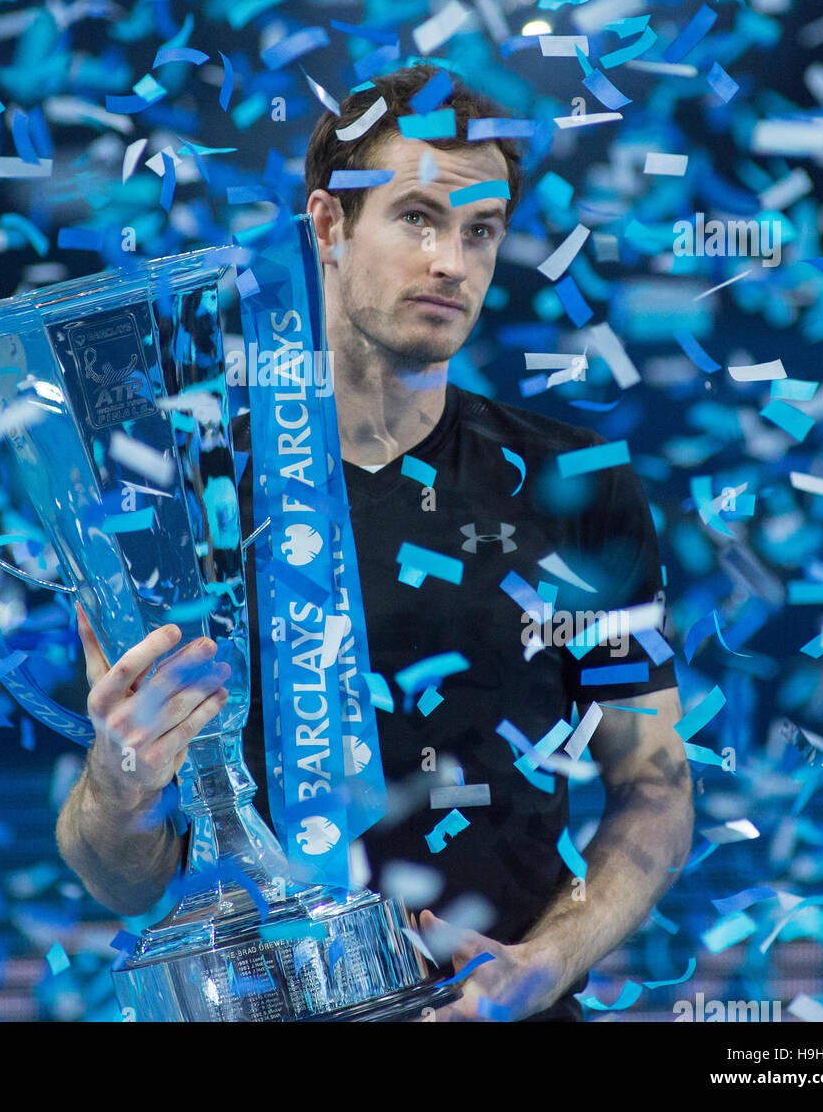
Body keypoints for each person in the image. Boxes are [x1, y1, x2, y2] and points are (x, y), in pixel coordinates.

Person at [57, 62, 694, 1022]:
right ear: (328, 224)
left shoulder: (579, 484)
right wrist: (122, 777)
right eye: (419, 218)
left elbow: (654, 784)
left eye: (481, 232)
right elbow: (122, 878)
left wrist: (546, 963)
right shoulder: (183, 502)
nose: (453, 262)